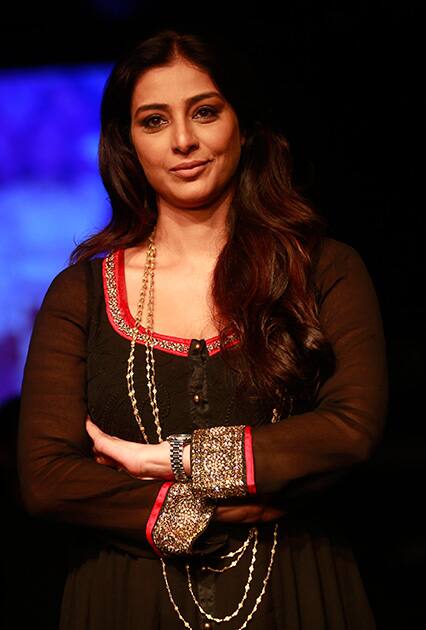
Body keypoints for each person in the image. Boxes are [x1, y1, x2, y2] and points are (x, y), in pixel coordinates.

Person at [18, 28, 388, 630]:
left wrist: (175, 460)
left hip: (298, 589)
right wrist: (201, 516)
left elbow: (349, 430)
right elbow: (47, 479)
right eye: (155, 121)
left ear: (242, 125)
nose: (184, 141)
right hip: (127, 599)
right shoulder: (80, 295)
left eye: (205, 112)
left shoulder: (323, 269)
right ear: (128, 144)